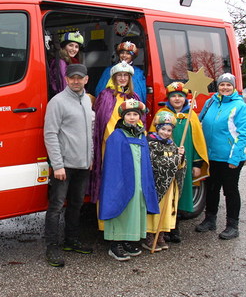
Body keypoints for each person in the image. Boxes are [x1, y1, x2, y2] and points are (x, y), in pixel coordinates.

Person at [43, 63, 94, 267]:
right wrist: (57, 165)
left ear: (86, 79)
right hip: (63, 166)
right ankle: (52, 246)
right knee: (56, 206)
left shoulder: (87, 101)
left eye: (79, 77)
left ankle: (71, 241)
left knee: (76, 204)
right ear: (66, 79)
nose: (75, 81)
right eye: (72, 77)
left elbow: (90, 132)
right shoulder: (57, 102)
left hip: (82, 165)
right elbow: (50, 134)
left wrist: (89, 158)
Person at [99, 99, 159, 261]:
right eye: (129, 115)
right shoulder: (117, 135)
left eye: (135, 114)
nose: (132, 118)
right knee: (121, 206)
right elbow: (113, 163)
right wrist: (118, 183)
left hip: (139, 179)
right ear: (123, 117)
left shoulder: (140, 134)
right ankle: (115, 243)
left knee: (134, 206)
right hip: (122, 180)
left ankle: (127, 239)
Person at [150, 82, 209, 242]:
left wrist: (197, 164)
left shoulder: (191, 115)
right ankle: (162, 228)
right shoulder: (161, 114)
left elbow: (198, 141)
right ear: (169, 98)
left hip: (183, 163)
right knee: (165, 195)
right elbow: (152, 139)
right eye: (173, 96)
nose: (177, 99)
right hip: (164, 164)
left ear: (185, 99)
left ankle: (174, 227)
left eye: (180, 96)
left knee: (179, 194)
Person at [196, 73, 246, 240]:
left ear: (233, 87)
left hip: (230, 157)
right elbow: (199, 121)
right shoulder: (210, 101)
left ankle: (232, 225)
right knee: (212, 189)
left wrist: (234, 158)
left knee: (230, 191)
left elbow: (243, 134)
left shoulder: (240, 106)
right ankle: (210, 219)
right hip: (211, 156)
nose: (225, 88)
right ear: (217, 86)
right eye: (222, 85)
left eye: (228, 85)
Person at [88, 61, 142, 203]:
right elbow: (102, 121)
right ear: (114, 77)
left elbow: (140, 123)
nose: (123, 78)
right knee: (110, 177)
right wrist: (114, 141)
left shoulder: (133, 97)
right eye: (120, 75)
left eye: (126, 75)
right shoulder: (106, 96)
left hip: (129, 145)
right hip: (110, 145)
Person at [144, 111, 185, 251]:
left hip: (169, 185)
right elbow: (155, 162)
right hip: (156, 184)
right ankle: (150, 236)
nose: (166, 133)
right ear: (157, 128)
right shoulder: (151, 143)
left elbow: (178, 165)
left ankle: (160, 234)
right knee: (155, 210)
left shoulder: (171, 144)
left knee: (165, 210)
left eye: (169, 130)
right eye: (163, 129)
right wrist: (175, 159)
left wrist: (181, 156)